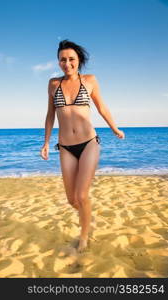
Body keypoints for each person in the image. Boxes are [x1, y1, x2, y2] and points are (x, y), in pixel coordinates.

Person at [41, 39, 125, 252]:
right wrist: (46, 142)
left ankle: (84, 237)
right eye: (62, 60)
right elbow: (50, 115)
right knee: (72, 200)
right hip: (65, 147)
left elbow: (102, 108)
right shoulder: (53, 84)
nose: (67, 63)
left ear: (79, 61)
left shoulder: (90, 80)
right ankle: (87, 216)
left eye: (71, 59)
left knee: (81, 195)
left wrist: (115, 128)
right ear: (58, 62)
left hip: (89, 143)